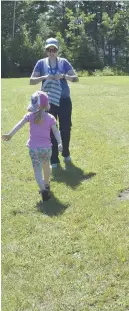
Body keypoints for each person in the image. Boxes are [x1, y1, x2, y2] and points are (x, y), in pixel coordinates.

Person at [2, 91, 63, 201]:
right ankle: (47, 184)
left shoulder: (29, 116)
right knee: (46, 166)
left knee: (37, 170)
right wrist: (60, 142)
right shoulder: (50, 117)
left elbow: (19, 125)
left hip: (33, 149)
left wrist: (10, 134)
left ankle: (43, 189)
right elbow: (56, 131)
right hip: (46, 149)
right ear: (47, 104)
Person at [30, 37, 79, 168]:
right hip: (48, 103)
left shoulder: (64, 62)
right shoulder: (41, 63)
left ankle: (66, 153)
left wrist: (63, 76)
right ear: (46, 50)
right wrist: (44, 77)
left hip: (64, 101)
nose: (51, 52)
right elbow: (32, 80)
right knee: (50, 129)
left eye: (54, 50)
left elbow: (75, 78)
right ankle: (54, 160)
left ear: (57, 50)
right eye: (49, 50)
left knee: (65, 128)